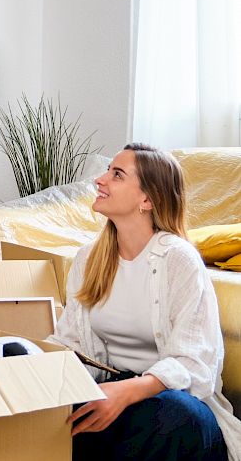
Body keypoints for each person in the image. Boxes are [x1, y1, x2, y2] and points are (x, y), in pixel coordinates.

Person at [50, 143, 241, 460]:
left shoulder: (179, 260)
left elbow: (196, 363)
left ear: (147, 200)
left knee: (173, 414)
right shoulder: (89, 259)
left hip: (173, 406)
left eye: (117, 174)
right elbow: (73, 344)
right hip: (115, 393)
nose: (100, 180)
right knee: (34, 379)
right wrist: (27, 358)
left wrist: (125, 393)